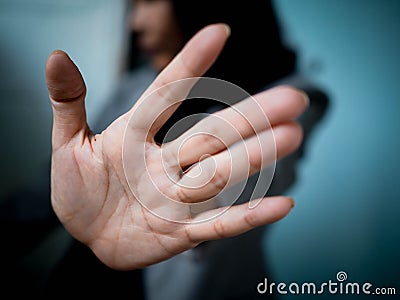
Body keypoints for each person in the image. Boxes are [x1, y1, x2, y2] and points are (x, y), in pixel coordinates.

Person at [1, 1, 328, 299]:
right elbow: (49, 194)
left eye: (149, 1)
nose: (134, 22)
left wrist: (190, 199)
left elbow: (254, 176)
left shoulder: (292, 95)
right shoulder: (136, 86)